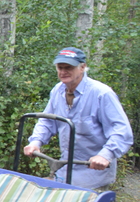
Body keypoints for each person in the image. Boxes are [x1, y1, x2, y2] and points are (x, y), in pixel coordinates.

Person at [24, 47, 134, 190]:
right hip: (65, 169)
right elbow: (47, 121)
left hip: (93, 173)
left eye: (68, 67)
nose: (63, 72)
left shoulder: (102, 94)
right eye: (60, 67)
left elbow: (122, 131)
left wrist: (105, 155)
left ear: (82, 67)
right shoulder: (58, 91)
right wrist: (36, 142)